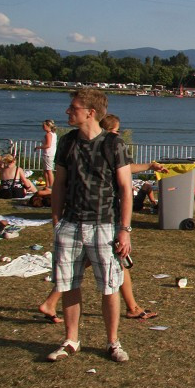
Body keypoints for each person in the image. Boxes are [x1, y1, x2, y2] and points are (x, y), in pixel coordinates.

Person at [46, 89, 133, 363]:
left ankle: (112, 342)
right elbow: (58, 183)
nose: (68, 112)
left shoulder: (113, 144)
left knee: (109, 285)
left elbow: (125, 189)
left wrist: (124, 229)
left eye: (73, 108)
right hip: (70, 224)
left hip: (104, 225)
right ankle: (71, 339)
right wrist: (57, 220)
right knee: (69, 283)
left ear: (90, 112)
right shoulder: (67, 142)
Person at [34, 119, 58, 189]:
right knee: (46, 170)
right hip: (50, 153)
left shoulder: (48, 134)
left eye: (44, 126)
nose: (43, 127)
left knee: (49, 171)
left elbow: (48, 145)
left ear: (48, 126)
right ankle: (48, 185)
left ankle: (51, 185)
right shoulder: (54, 134)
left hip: (48, 154)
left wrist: (39, 147)